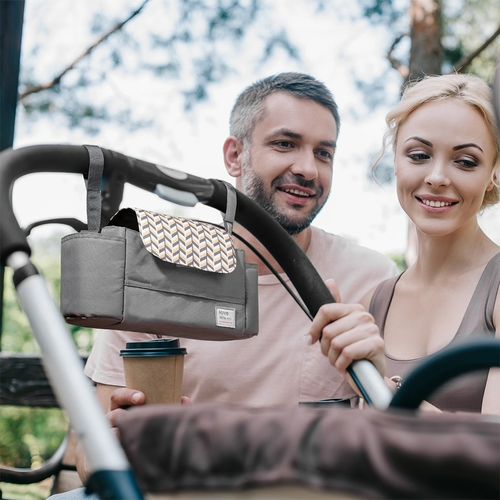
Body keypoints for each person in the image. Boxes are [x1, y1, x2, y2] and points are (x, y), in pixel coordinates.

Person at [49, 72, 398, 498]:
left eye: (323, 153)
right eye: (285, 144)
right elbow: (91, 460)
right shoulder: (148, 272)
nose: (308, 168)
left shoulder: (370, 277)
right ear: (235, 156)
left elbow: (402, 439)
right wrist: (117, 451)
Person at [309, 73, 500, 415]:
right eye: (418, 155)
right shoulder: (374, 302)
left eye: (466, 161)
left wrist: (382, 387)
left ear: (494, 174)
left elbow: (489, 450)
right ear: (395, 161)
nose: (437, 176)